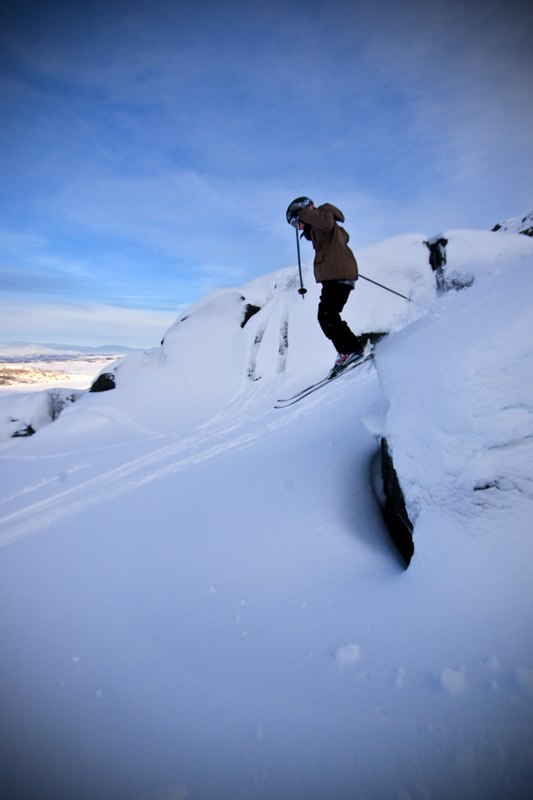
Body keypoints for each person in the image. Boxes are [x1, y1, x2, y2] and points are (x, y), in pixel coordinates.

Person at [286, 196, 369, 377]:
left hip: (338, 277)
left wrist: (302, 212)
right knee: (328, 315)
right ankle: (351, 349)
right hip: (336, 276)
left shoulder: (323, 215)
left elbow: (325, 223)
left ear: (304, 212)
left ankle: (350, 350)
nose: (297, 228)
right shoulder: (319, 228)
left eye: (295, 222)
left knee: (327, 315)